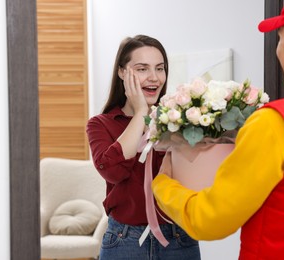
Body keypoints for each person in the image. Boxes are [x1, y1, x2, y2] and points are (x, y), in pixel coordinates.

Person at [152, 0, 284, 259]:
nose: (278, 50)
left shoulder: (276, 123)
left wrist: (163, 185)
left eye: (279, 39)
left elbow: (209, 219)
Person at [86, 35, 201, 260]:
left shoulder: (180, 120)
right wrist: (140, 113)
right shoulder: (101, 124)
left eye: (160, 68)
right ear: (122, 72)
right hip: (123, 241)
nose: (154, 77)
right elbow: (113, 171)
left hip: (179, 239)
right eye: (142, 69)